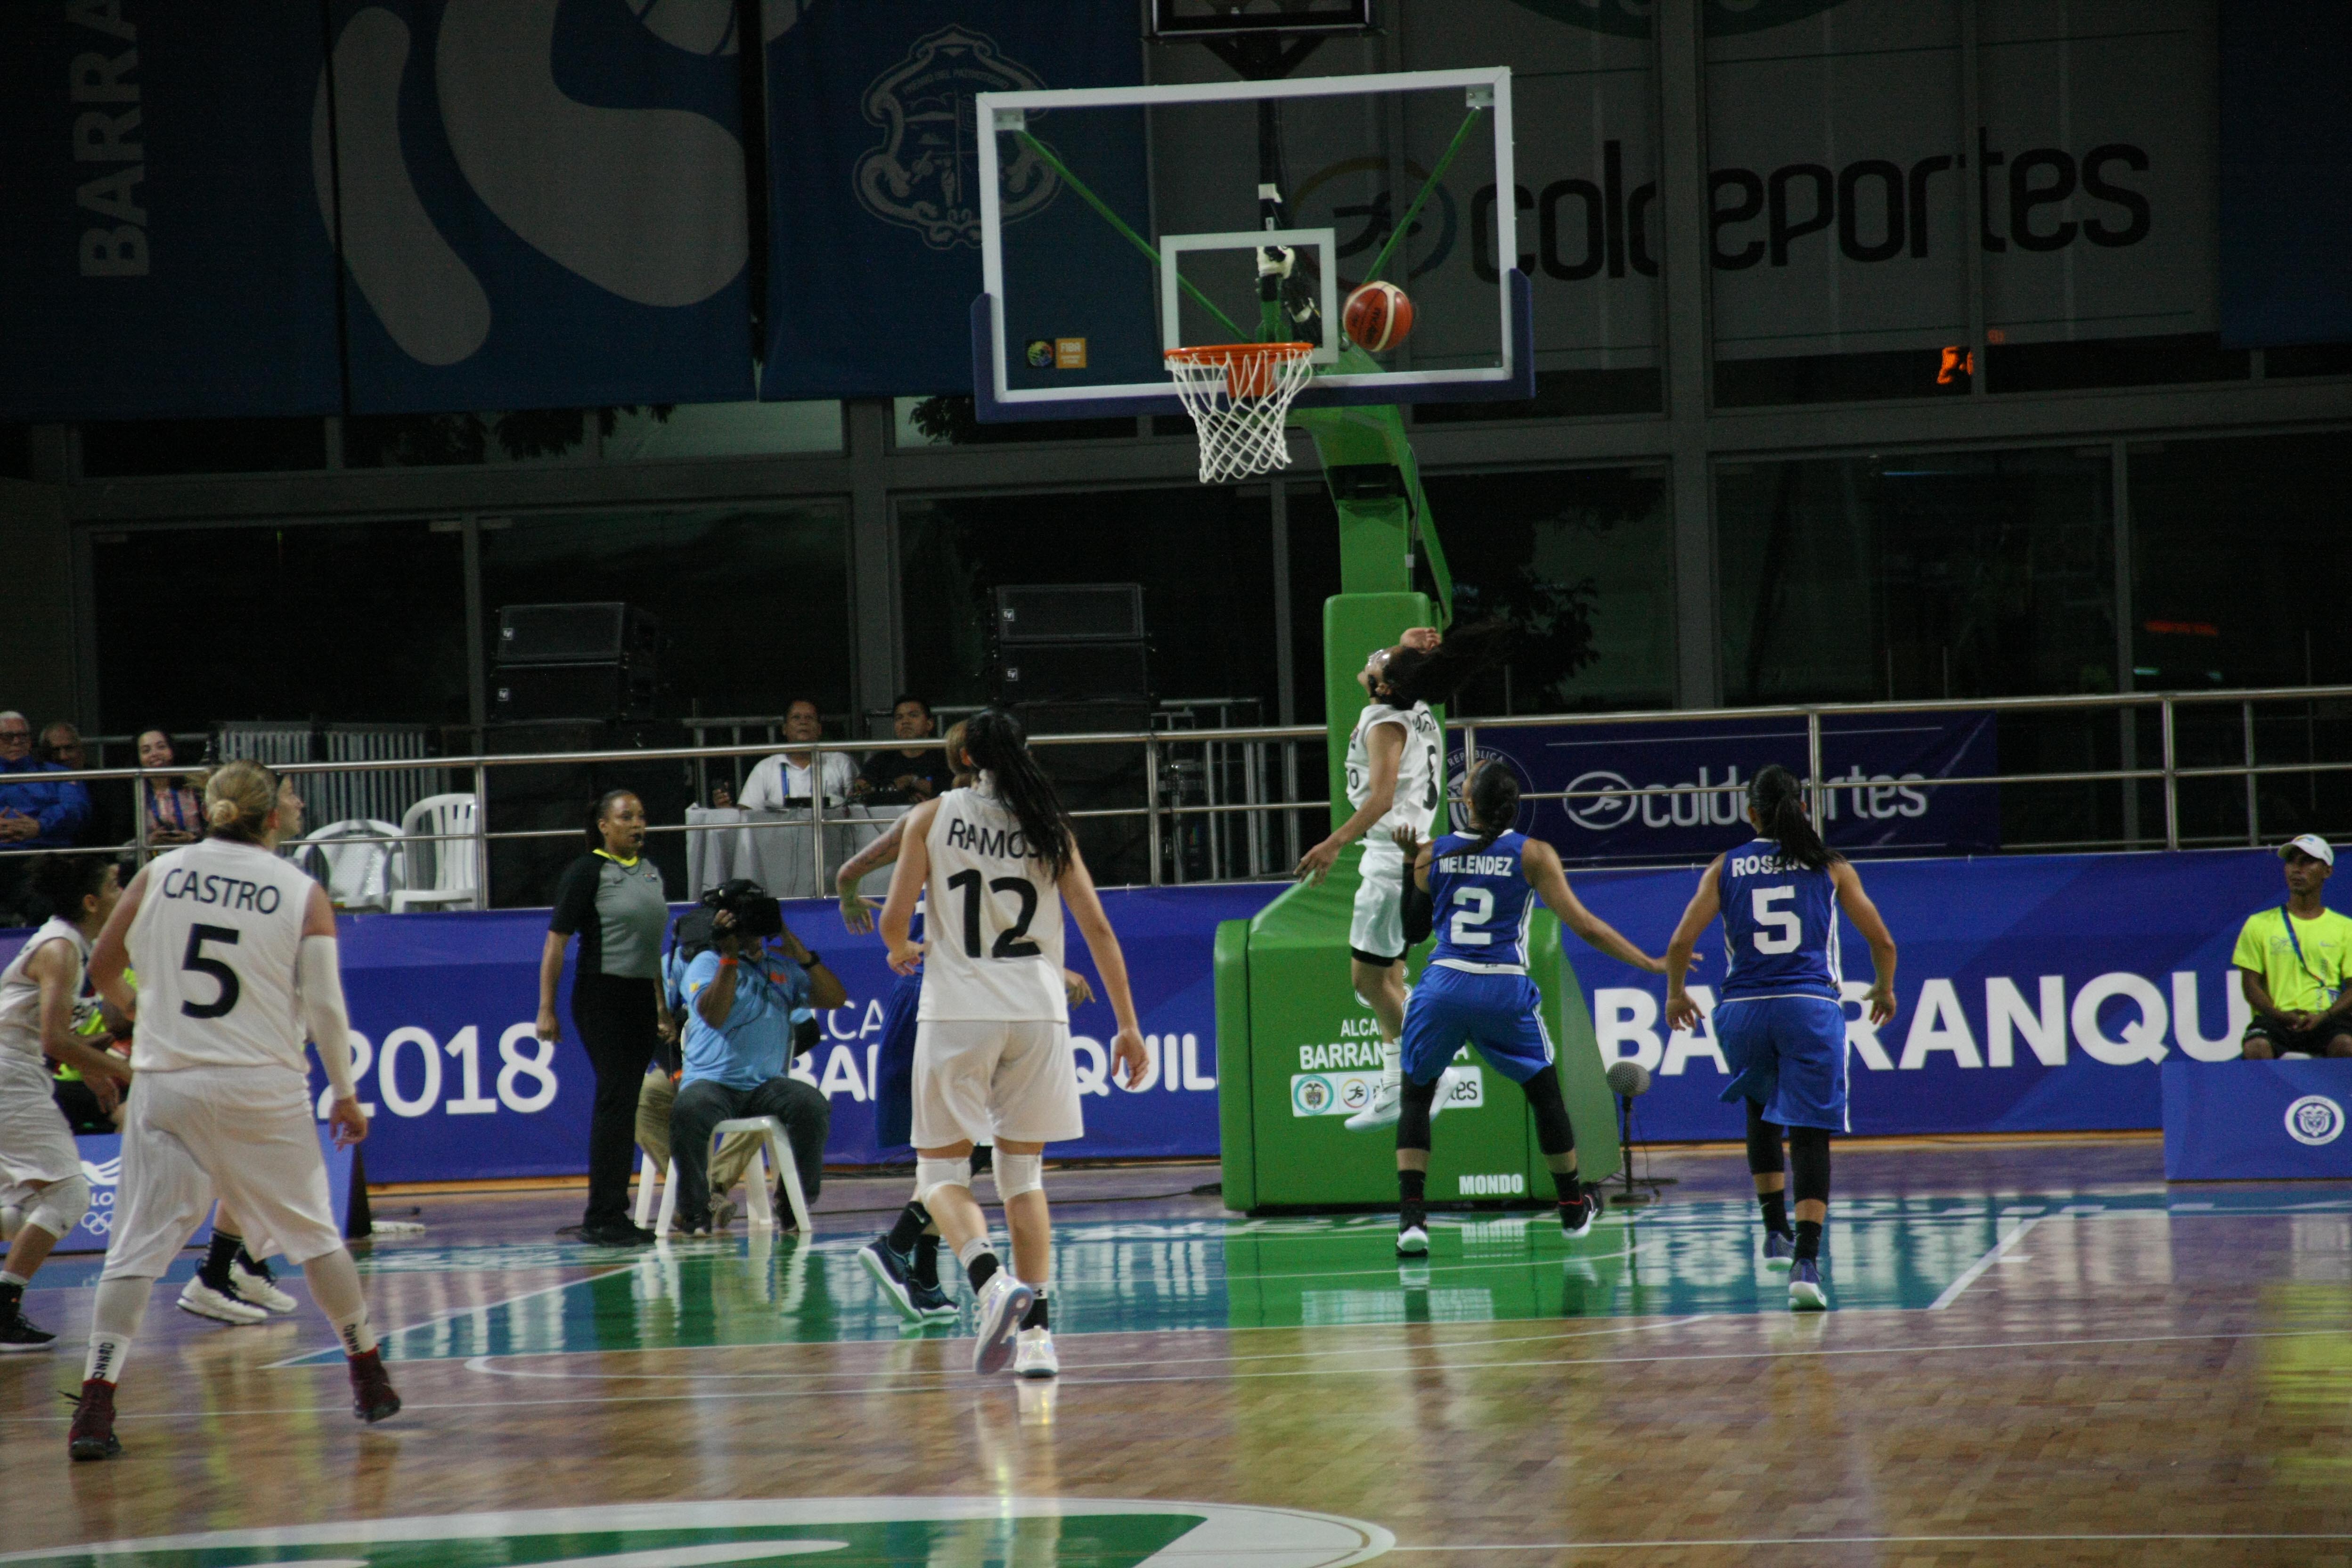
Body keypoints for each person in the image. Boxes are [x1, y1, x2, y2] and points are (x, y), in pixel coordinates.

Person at [72, 760, 395, 1460]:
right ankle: (366, 1370)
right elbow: (325, 1005)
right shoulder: (301, 890)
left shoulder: (161, 871)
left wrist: (141, 1011)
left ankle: (96, 1401)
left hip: (168, 1082)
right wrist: (344, 1090)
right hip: (260, 1083)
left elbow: (100, 967)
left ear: (209, 810)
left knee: (134, 1251)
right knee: (314, 1238)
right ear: (271, 815)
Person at [880, 707, 1149, 1379]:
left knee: (940, 1175)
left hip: (960, 1009)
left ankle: (990, 1281)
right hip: (1036, 1010)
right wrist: (1127, 1025)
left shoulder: (933, 815)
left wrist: (902, 947)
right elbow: (1100, 932)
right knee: (1022, 1179)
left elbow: (891, 921)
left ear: (964, 757)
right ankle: (1037, 1342)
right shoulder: (1048, 824)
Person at [841, 721, 1094, 1328]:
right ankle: (918, 1254)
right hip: (945, 995)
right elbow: (860, 869)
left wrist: (856, 895)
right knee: (966, 1157)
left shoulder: (960, 815)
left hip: (967, 997)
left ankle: (917, 1262)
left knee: (957, 1157)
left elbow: (864, 876)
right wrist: (856, 895)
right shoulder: (948, 814)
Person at [1388, 762, 1667, 1257]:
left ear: (1468, 802)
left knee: (1416, 1097)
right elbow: (1586, 926)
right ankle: (1572, 1207)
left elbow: (1411, 932)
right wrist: (1648, 961)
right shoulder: (1533, 854)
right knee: (1545, 1096)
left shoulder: (1433, 852)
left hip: (1443, 986)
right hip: (1502, 987)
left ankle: (1412, 1219)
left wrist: (1409, 864)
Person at [1662, 764, 1898, 1313]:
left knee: (1760, 1106)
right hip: (1808, 1008)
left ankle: (1773, 1230)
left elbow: (1680, 941)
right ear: (1803, 810)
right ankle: (1807, 1264)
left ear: (1751, 813)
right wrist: (1884, 989)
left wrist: (1676, 994)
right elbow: (1882, 940)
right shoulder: (1830, 866)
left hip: (1742, 1010)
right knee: (1811, 1131)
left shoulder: (1725, 866)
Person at [1295, 623, 1513, 1134]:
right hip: (1409, 854)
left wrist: (1332, 843)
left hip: (1391, 856)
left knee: (1368, 980)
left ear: (1385, 684)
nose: (1371, 661)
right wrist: (1407, 645)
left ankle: (1431, 1067)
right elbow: (1383, 671)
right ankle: (1398, 1083)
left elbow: (1381, 798)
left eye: (1380, 658)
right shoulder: (1414, 705)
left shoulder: (1385, 724)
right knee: (1389, 980)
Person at [0, 855, 134, 1351]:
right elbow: (56, 1039)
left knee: (26, 1207)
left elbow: (52, 1035)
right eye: (116, 885)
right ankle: (3, 1307)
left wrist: (99, 1071)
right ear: (91, 901)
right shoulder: (61, 949)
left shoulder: (71, 943)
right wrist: (123, 1069)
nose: (123, 894)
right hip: (10, 1076)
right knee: (69, 1196)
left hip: (17, 1072)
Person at [539, 791, 674, 1246]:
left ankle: (613, 1211)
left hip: (639, 996)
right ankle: (603, 1215)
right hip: (602, 995)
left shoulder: (652, 872)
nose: (637, 824)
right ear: (603, 825)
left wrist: (659, 1005)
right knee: (615, 1100)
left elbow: (650, 948)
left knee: (626, 1100)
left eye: (641, 816)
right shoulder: (586, 872)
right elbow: (556, 942)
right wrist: (546, 1008)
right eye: (626, 817)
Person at [667, 882, 842, 1234]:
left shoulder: (781, 967)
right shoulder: (706, 963)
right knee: (688, 1110)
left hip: (767, 1086)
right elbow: (714, 1015)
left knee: (812, 1105)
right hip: (712, 1084)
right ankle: (694, 1210)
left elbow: (835, 999)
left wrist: (804, 956)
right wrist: (730, 957)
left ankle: (794, 1205)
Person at [2232, 833, 2352, 1059]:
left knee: (2346, 1046)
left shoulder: (2346, 928)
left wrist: (2325, 1016)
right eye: (2292, 862)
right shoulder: (2259, 924)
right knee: (2256, 1048)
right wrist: (2279, 1015)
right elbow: (2250, 984)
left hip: (2325, 1019)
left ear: (2327, 871)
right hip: (2276, 1020)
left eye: (2307, 862)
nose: (2297, 869)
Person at [0, 711, 92, 924]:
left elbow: (77, 808)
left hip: (41, 855)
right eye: (8, 737)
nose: (17, 742)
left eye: (23, 736)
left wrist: (40, 826)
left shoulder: (56, 773)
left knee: (47, 901)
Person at [741, 699, 856, 811]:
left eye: (809, 718)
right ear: (785, 729)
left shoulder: (840, 762)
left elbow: (857, 807)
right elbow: (747, 812)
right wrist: (727, 811)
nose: (803, 722)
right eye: (796, 717)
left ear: (820, 729)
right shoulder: (766, 767)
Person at [857, 696, 955, 804]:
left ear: (929, 724)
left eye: (913, 716)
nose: (905, 721)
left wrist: (913, 781)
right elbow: (859, 792)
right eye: (899, 718)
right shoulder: (882, 760)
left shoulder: (946, 758)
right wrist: (892, 787)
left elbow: (957, 792)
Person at [135, 729, 204, 849]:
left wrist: (194, 839)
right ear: (139, 758)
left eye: (161, 747)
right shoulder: (133, 791)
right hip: (152, 857)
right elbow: (122, 849)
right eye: (146, 751)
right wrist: (148, 841)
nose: (154, 754)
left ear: (172, 751)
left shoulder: (194, 786)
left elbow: (215, 835)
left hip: (195, 853)